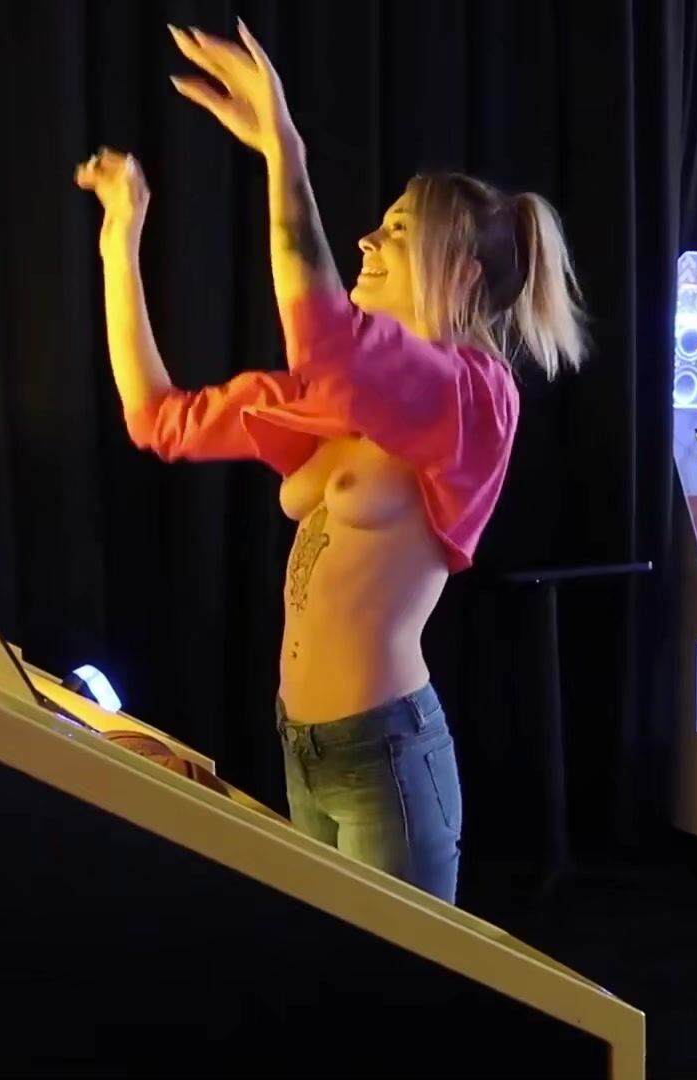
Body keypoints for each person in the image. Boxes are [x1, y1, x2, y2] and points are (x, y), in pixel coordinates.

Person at [74, 21, 588, 906]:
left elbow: (323, 332)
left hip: (386, 755)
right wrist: (120, 243)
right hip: (305, 745)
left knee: (389, 986)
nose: (365, 243)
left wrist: (286, 149)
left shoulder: (475, 396)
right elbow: (158, 420)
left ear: (462, 271)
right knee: (329, 974)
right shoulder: (336, 401)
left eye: (396, 231)